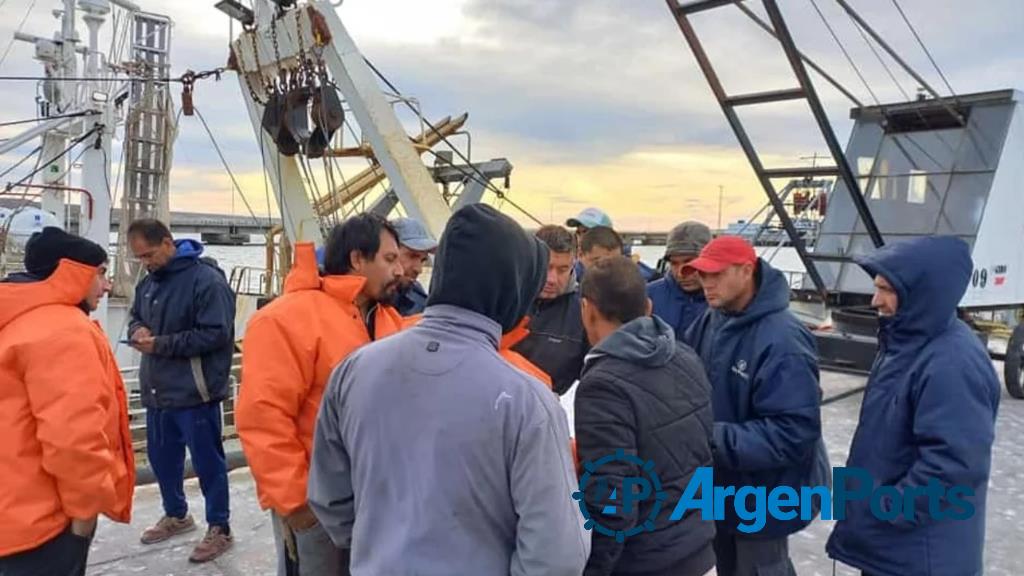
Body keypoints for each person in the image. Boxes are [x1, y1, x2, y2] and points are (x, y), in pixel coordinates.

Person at [308, 204, 589, 576]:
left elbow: (330, 500)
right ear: (512, 289)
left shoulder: (354, 369)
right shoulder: (527, 399)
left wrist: (380, 544)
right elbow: (558, 554)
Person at [237, 213, 405, 576]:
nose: (401, 271)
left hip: (377, 501)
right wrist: (297, 506)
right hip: (317, 506)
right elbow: (263, 418)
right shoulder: (286, 319)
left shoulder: (385, 318)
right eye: (390, 260)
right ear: (358, 259)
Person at [826, 236, 1000, 576]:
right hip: (893, 549)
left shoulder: (951, 362)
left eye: (887, 289)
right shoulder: (903, 344)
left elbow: (953, 468)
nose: (875, 300)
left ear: (922, 291)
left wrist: (884, 508)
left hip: (921, 555)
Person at [684, 236, 829, 576]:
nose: (706, 283)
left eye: (716, 274)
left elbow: (794, 433)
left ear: (747, 270)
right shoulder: (711, 320)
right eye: (702, 275)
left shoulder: (784, 339)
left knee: (760, 568)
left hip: (769, 494)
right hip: (721, 487)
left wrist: (708, 438)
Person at [0, 228, 134, 576]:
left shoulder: (14, 321)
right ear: (73, 271)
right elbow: (74, 439)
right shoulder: (63, 332)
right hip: (41, 526)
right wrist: (84, 518)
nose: (106, 286)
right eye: (101, 273)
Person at [575, 256, 716, 576]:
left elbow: (613, 500)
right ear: (648, 307)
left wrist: (594, 569)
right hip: (699, 550)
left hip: (645, 562)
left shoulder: (603, 386)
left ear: (587, 309)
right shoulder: (685, 357)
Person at [126, 219, 236, 563]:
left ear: (168, 243)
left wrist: (159, 345)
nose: (145, 262)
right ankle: (176, 514)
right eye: (139, 258)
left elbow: (216, 334)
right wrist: (138, 328)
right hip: (158, 391)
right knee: (162, 460)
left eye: (148, 254)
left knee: (208, 463)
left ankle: (220, 527)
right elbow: (134, 315)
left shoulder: (207, 281)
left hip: (195, 392)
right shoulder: (149, 284)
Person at [513, 225, 589, 394]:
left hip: (547, 410)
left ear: (574, 264)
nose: (552, 279)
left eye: (563, 270)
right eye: (547, 267)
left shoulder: (584, 313)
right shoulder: (504, 299)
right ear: (532, 260)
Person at [648, 221, 712, 340]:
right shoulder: (648, 296)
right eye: (674, 263)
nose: (680, 273)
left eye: (689, 263)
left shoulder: (726, 299)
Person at [390, 217, 438, 316]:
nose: (419, 269)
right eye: (412, 256)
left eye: (423, 260)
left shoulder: (418, 298)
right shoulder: (359, 302)